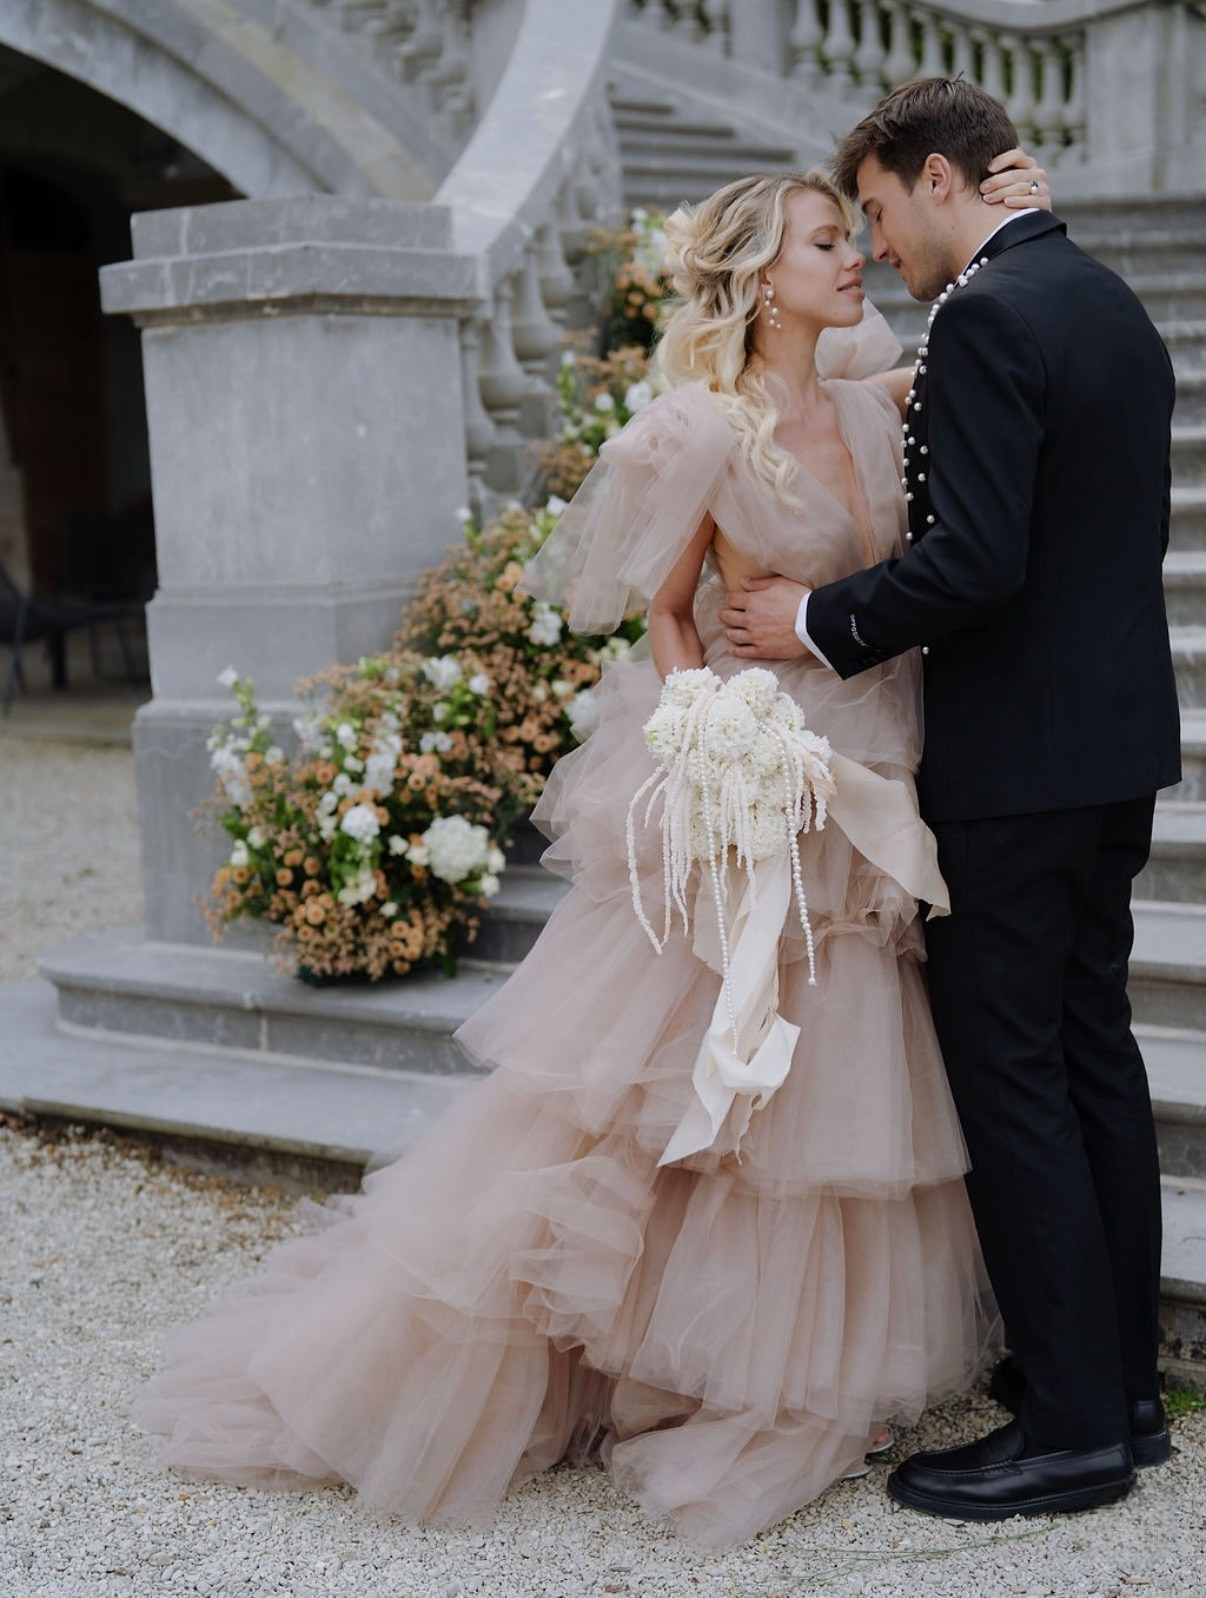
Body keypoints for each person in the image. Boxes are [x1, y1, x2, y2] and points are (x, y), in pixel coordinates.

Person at [131, 150, 1053, 1549]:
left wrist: (1019, 211)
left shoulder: (871, 395)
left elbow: (991, 321)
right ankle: (653, 1355)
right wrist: (704, 730)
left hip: (870, 764)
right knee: (694, 1075)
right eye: (822, 240)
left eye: (847, 234)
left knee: (830, 1077)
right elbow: (662, 608)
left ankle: (796, 1359)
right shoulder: (693, 427)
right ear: (757, 277)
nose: (848, 255)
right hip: (748, 771)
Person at [722, 77, 1180, 1522]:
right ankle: (1117, 1397)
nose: (878, 244)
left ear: (935, 177)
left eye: (873, 212)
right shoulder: (1101, 299)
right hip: (1109, 755)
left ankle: (1063, 1433)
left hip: (1013, 770)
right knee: (1090, 1056)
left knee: (1016, 1079)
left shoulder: (985, 316)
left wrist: (809, 618)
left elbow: (974, 561)